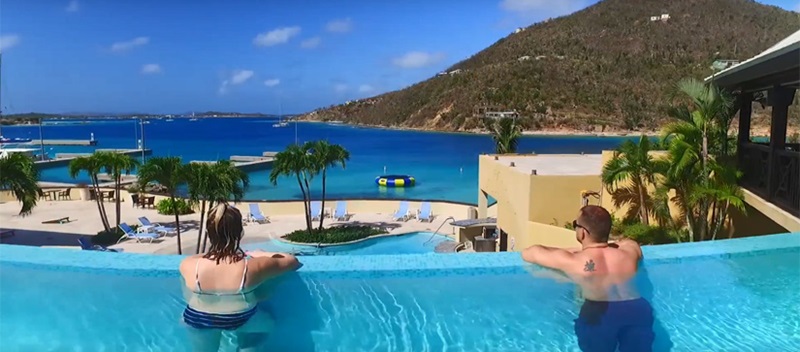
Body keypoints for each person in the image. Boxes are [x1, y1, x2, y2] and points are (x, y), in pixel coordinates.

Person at [522, 205, 655, 352]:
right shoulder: (630, 251)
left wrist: (576, 251)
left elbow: (530, 253)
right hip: (636, 309)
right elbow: (626, 242)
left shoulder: (574, 261)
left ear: (583, 232)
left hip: (600, 314)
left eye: (575, 225)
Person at [179, 203, 301, 352]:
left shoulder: (189, 265)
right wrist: (261, 253)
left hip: (198, 317)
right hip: (239, 318)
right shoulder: (252, 267)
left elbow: (187, 291)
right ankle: (247, 348)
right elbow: (292, 261)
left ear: (209, 233)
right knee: (267, 324)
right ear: (240, 232)